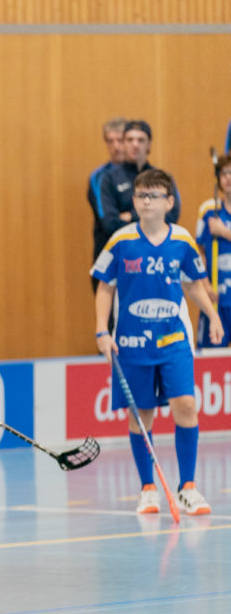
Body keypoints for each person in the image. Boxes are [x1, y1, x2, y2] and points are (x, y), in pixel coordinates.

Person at [92, 168, 223, 515]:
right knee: (142, 415)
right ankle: (147, 488)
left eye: (153, 196)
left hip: (174, 339)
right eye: (140, 196)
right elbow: (105, 287)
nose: (145, 202)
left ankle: (188, 487)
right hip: (132, 344)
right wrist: (102, 331)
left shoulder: (181, 240)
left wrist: (212, 315)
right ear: (134, 201)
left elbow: (194, 282)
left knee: (186, 405)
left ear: (169, 202)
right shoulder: (119, 241)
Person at [98, 120, 181, 243]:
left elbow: (172, 216)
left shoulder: (163, 178)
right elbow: (110, 224)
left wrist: (131, 216)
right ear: (124, 144)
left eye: (141, 140)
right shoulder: (108, 178)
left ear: (149, 144)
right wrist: (152, 216)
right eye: (130, 140)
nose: (135, 144)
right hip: (120, 251)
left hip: (157, 250)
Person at [194, 153, 231, 348]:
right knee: (210, 357)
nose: (228, 178)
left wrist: (224, 232)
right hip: (216, 300)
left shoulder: (219, 224)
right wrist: (205, 285)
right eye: (224, 173)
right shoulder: (209, 210)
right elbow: (198, 253)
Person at [89, 116, 130, 282]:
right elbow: (108, 221)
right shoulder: (99, 177)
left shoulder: (143, 173)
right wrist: (136, 218)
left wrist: (130, 216)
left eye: (120, 140)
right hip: (108, 252)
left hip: (137, 255)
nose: (116, 146)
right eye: (110, 141)